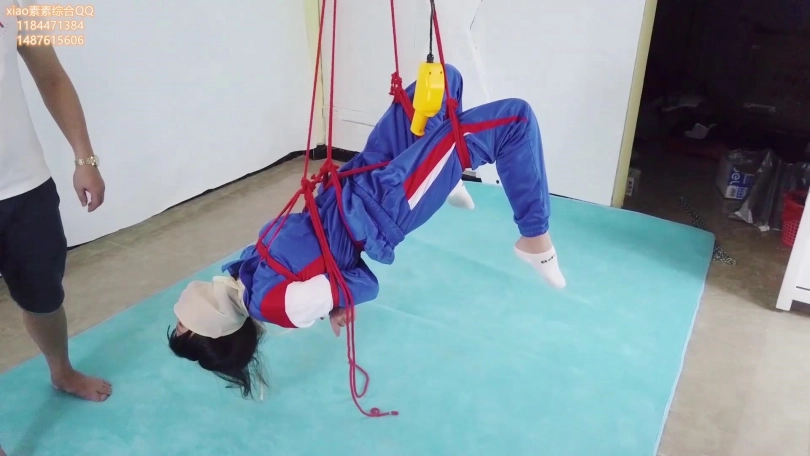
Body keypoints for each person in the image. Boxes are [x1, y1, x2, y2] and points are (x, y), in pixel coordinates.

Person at [168, 64, 566, 399]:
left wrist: (331, 296)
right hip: (384, 206)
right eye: (184, 326)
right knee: (514, 120)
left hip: (355, 182)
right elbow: (363, 284)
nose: (180, 315)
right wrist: (336, 300)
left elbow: (310, 253)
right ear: (213, 331)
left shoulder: (244, 272)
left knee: (444, 80)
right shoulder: (277, 305)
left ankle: (445, 178)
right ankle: (534, 238)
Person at [0, 0, 111, 422]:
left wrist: (85, 158)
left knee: (44, 297)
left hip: (25, 188)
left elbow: (51, 77)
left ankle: (62, 372)